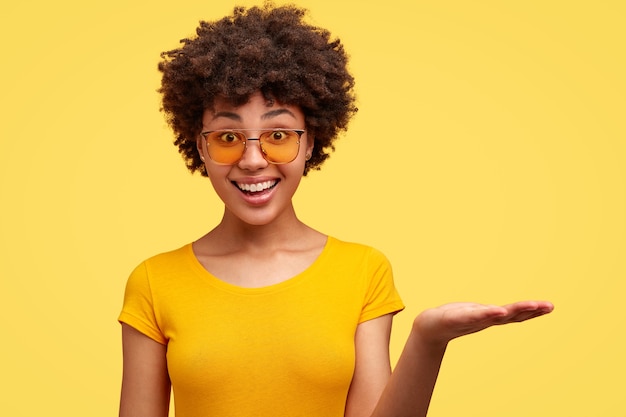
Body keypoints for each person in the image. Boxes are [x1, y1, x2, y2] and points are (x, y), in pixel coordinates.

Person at [118, 4, 554, 417]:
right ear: (200, 146)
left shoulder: (363, 270)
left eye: (279, 135)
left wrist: (428, 339)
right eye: (228, 138)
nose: (253, 160)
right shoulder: (155, 282)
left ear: (310, 142)